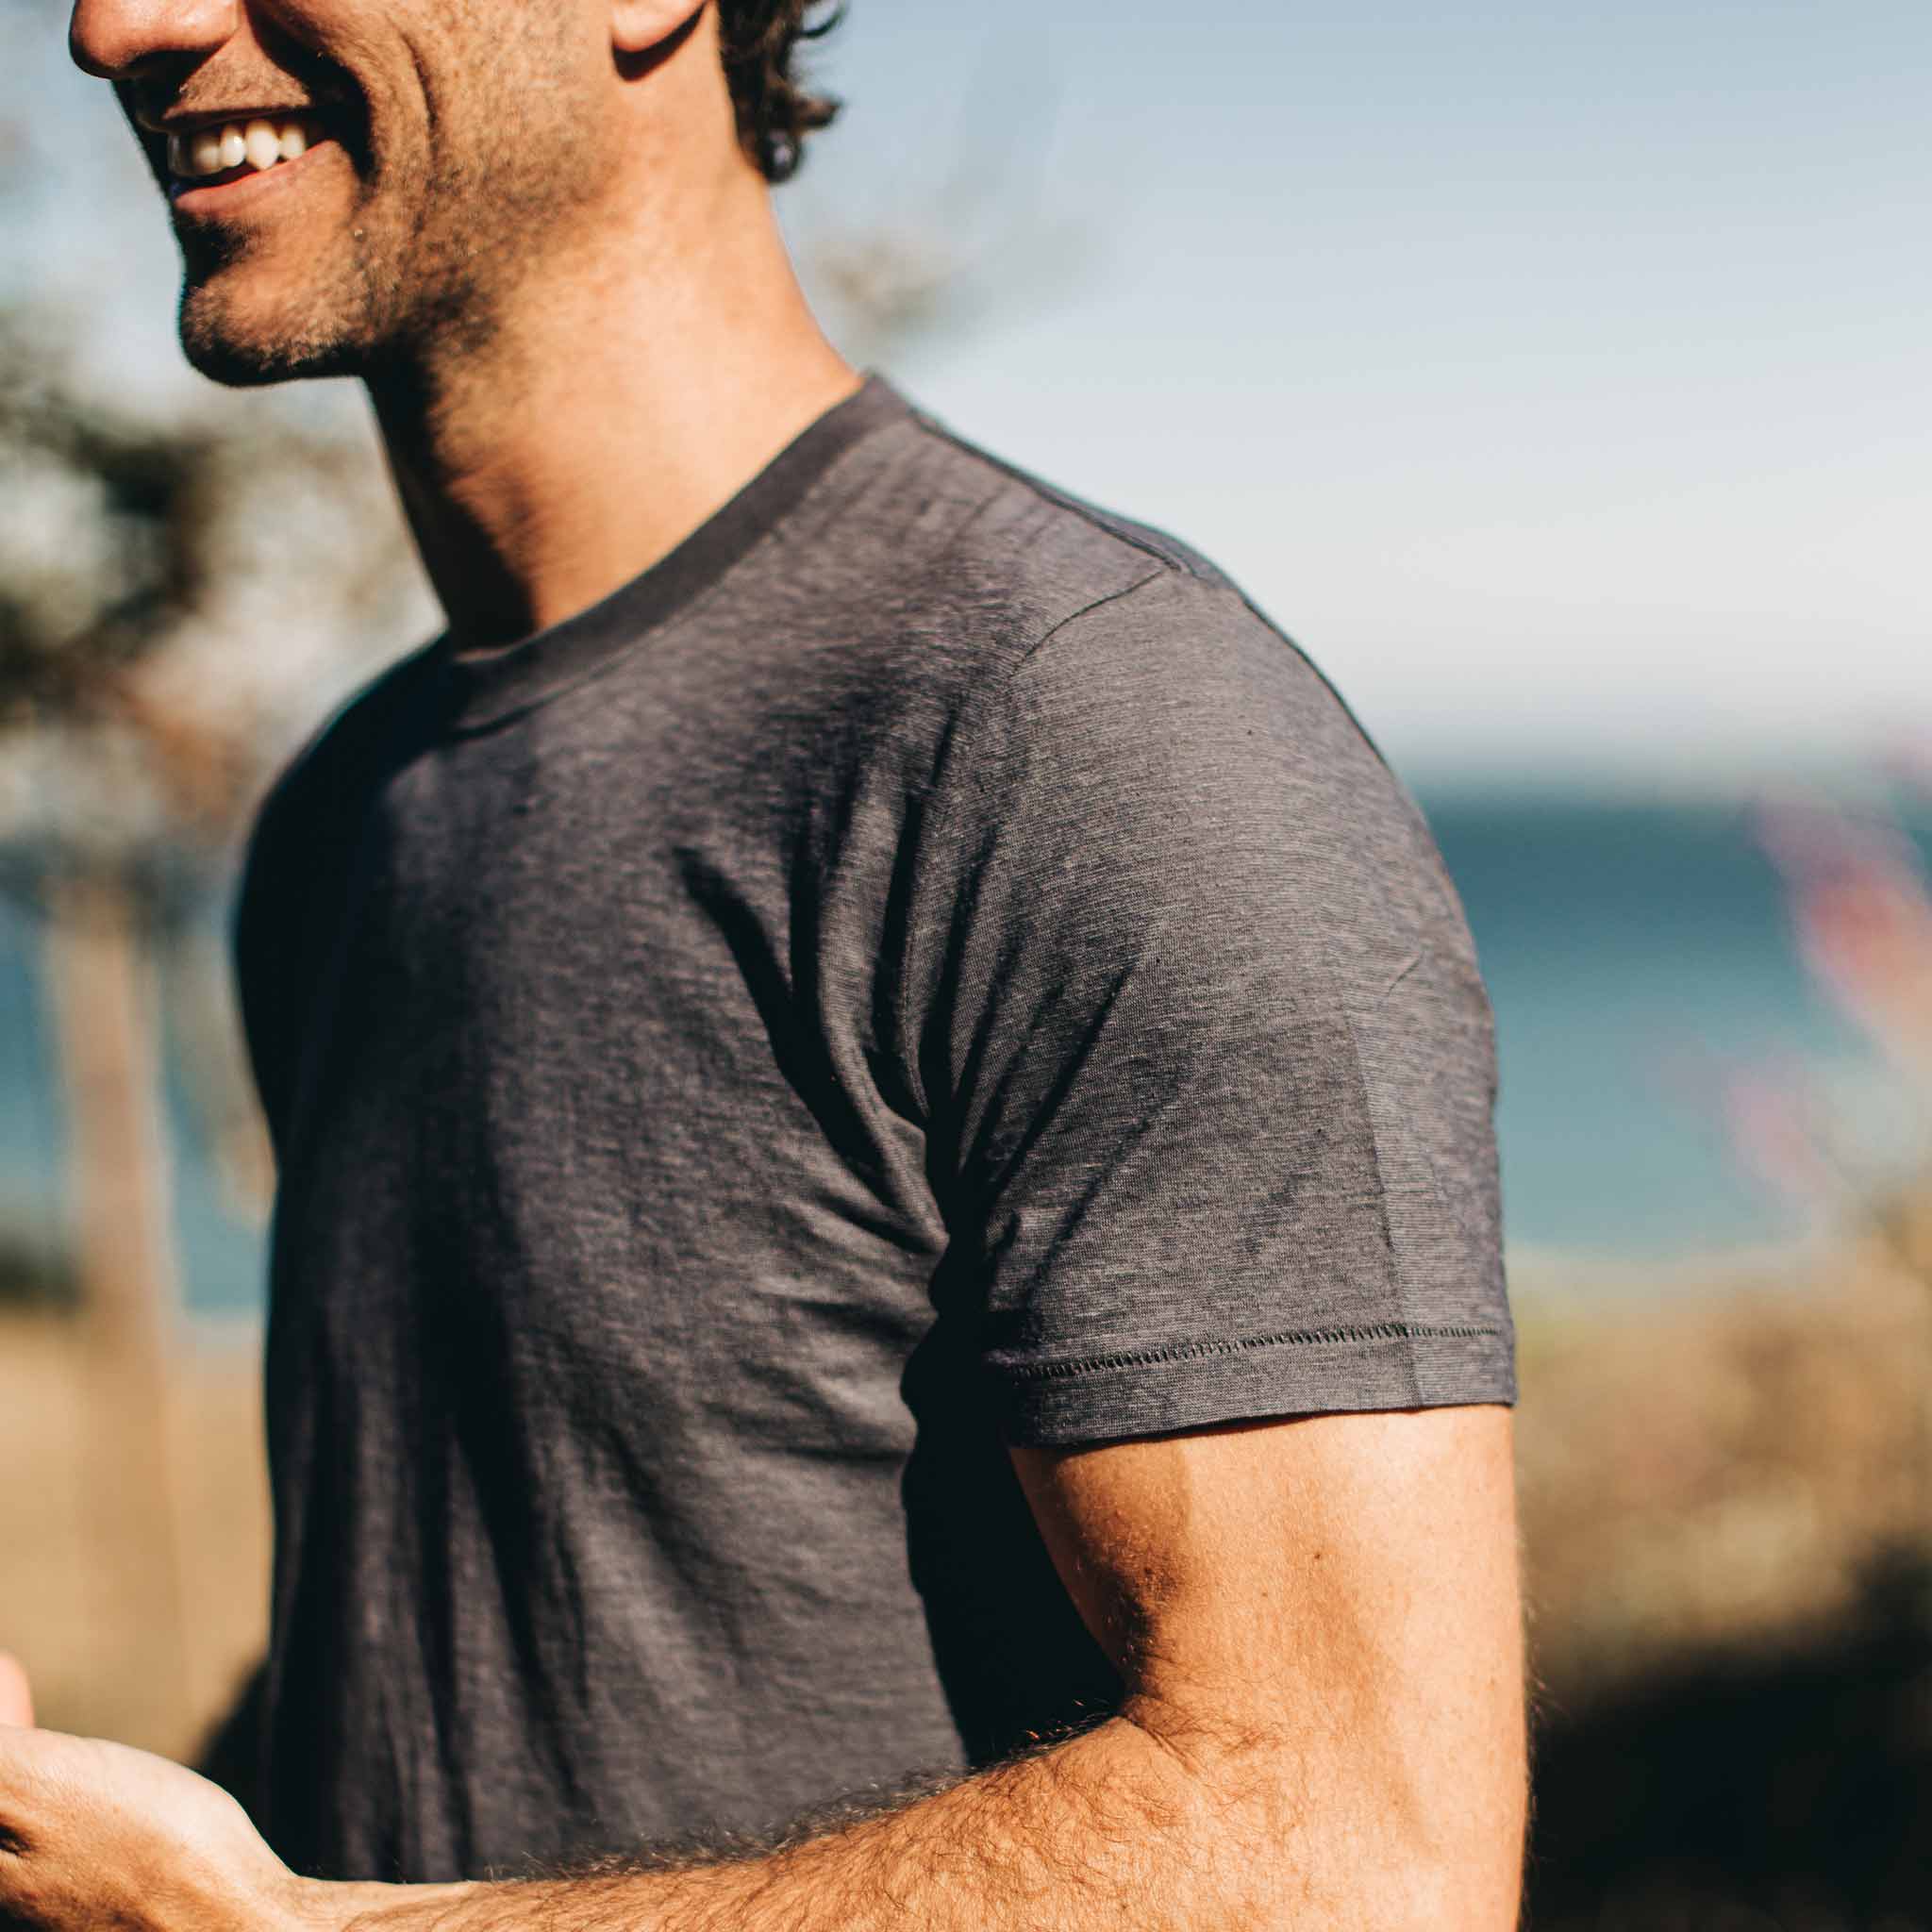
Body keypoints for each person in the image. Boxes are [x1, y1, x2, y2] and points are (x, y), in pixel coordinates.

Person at [0, 0, 1527, 1924]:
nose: (113, 24)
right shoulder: (342, 814)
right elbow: (495, 1697)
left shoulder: (1081, 726)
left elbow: (1359, 1861)